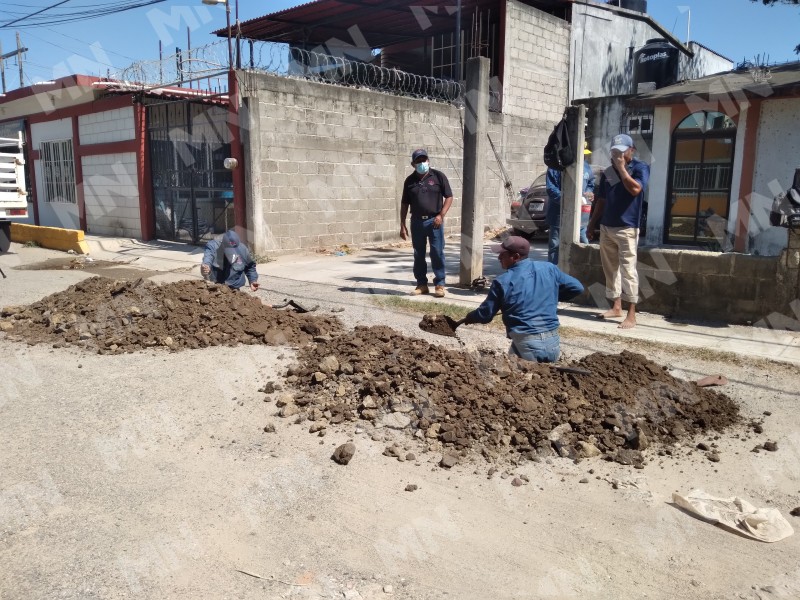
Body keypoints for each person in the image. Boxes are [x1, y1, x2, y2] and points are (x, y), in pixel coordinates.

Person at [461, 236, 584, 363]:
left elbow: (485, 315)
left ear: (515, 257)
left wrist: (470, 317)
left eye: (502, 254)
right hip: (553, 342)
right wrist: (548, 297)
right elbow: (577, 287)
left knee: (511, 378)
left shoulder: (502, 281)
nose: (498, 258)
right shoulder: (549, 268)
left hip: (527, 345)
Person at [586, 134, 650, 329]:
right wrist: (592, 224)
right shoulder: (608, 173)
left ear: (632, 150)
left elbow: (636, 189)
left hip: (627, 228)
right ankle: (616, 306)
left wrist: (622, 168)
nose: (617, 156)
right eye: (614, 152)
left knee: (628, 270)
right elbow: (602, 200)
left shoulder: (640, 168)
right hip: (607, 227)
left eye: (621, 152)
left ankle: (632, 314)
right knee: (610, 269)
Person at [399, 148, 454, 298]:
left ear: (428, 161)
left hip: (434, 221)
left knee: (437, 252)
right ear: (413, 164)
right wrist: (402, 225)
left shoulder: (438, 176)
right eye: (418, 161)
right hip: (416, 221)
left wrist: (441, 215)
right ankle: (422, 284)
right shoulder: (410, 181)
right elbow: (404, 204)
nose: (422, 163)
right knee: (418, 254)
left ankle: (439, 284)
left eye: (424, 160)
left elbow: (449, 197)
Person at [545, 141, 596, 264]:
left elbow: (591, 183)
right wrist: (568, 201)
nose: (582, 157)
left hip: (580, 216)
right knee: (555, 245)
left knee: (583, 242)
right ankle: (554, 273)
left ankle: (584, 270)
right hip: (558, 215)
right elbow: (551, 189)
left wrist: (589, 193)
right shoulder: (555, 166)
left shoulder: (586, 166)